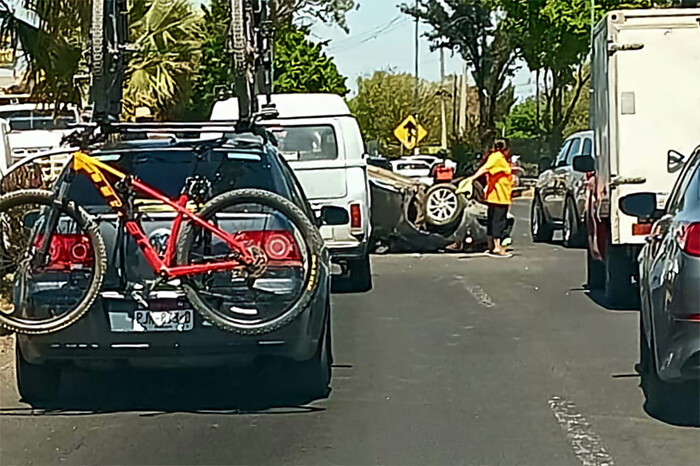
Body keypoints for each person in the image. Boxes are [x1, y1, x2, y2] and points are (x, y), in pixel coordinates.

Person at [447, 140, 514, 257]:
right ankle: (497, 247)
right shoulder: (497, 157)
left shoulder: (498, 157)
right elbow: (486, 168)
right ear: (506, 149)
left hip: (498, 194)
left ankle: (491, 245)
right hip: (499, 195)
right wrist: (473, 178)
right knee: (498, 221)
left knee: (492, 220)